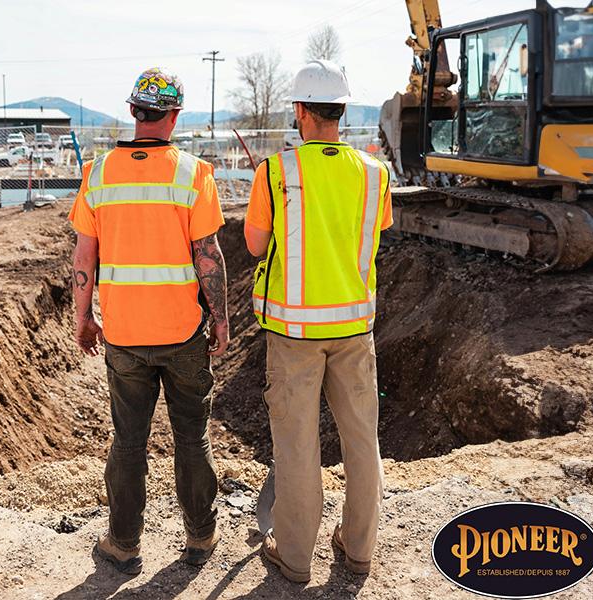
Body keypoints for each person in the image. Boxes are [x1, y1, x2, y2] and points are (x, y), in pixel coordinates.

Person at [69, 67, 229, 575]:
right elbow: (209, 256)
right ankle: (200, 536)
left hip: (123, 334)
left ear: (134, 111)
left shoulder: (97, 173)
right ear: (174, 115)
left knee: (128, 440)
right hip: (182, 331)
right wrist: (220, 318)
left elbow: (83, 257)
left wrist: (83, 317)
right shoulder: (194, 174)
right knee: (192, 436)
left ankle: (122, 544)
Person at [244, 60, 393, 583]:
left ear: (301, 112)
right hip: (355, 329)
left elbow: (256, 245)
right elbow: (369, 238)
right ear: (343, 110)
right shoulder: (375, 174)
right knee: (361, 444)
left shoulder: (277, 171)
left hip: (294, 334)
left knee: (297, 450)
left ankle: (295, 558)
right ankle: (358, 551)